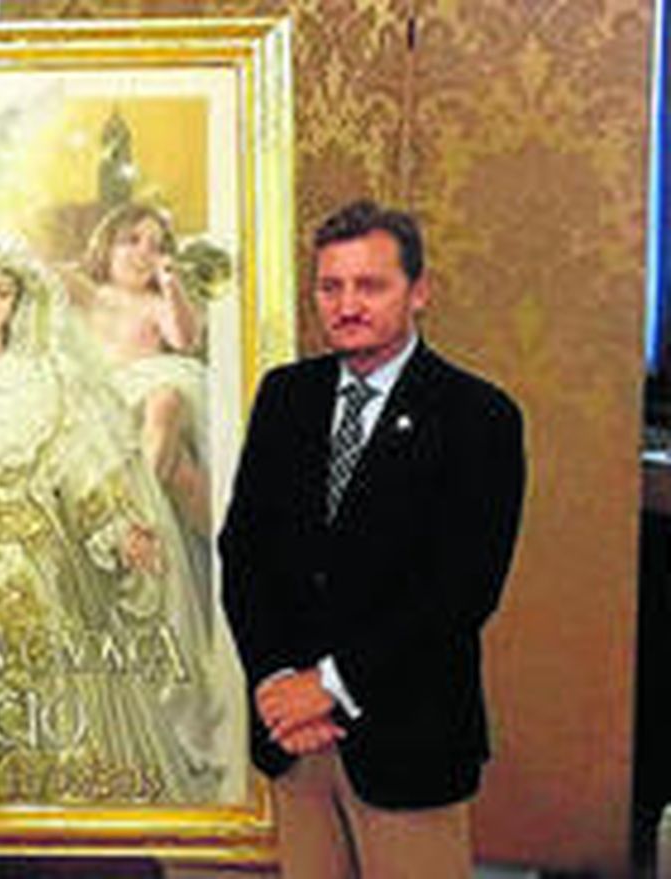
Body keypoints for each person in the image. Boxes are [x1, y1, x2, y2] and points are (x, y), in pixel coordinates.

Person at [0, 235, 237, 805]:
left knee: (41, 740)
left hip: (36, 581)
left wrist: (119, 528)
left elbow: (88, 476)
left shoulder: (52, 382)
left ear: (19, 302)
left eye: (1, 291)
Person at [218, 200, 525, 878]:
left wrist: (329, 684)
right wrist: (275, 682)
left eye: (370, 285)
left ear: (419, 291)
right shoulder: (285, 396)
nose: (347, 304)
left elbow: (462, 589)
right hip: (294, 739)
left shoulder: (479, 416)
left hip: (406, 738)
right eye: (331, 286)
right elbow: (244, 552)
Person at [76, 202, 211, 536]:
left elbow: (185, 340)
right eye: (132, 240)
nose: (144, 253)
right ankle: (226, 542)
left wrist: (170, 284)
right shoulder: (92, 294)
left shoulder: (156, 303)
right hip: (103, 398)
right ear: (106, 246)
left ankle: (136, 513)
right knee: (178, 469)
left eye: (156, 246)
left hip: (147, 394)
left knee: (167, 398)